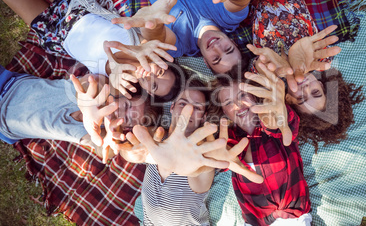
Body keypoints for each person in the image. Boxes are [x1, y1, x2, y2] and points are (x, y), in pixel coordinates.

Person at [201, 0, 364, 151]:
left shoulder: (271, 76)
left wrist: (280, 69)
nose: (305, 88)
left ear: (288, 100)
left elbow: (255, 70)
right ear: (322, 85)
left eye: (301, 98)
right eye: (315, 92)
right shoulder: (320, 58)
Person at [0, 0, 182, 103]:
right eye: (159, 73)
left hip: (54, 35)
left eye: (154, 86)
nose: (150, 77)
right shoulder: (153, 46)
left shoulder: (120, 86)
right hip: (76, 6)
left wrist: (101, 85)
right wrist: (155, 24)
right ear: (163, 62)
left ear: (148, 92)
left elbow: (89, 86)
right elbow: (157, 33)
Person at [113, 79, 263, 225]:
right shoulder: (157, 136)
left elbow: (200, 178)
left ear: (203, 117)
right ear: (172, 107)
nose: (188, 111)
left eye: (197, 108)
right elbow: (131, 150)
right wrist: (135, 155)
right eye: (183, 104)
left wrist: (191, 167)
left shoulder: (202, 155)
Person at [111, 0, 277, 74]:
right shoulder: (229, 18)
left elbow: (158, 37)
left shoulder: (180, 45)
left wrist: (152, 25)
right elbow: (238, 0)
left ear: (205, 61)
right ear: (232, 41)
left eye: (216, 59)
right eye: (228, 49)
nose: (217, 47)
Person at [210, 63, 312, 225]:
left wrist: (277, 120)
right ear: (224, 111)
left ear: (254, 95)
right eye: (229, 102)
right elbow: (219, 160)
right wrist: (217, 157)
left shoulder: (273, 119)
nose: (238, 105)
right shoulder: (229, 138)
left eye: (243, 95)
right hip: (257, 222)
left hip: (293, 217)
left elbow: (289, 125)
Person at [0, 64, 158, 153]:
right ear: (122, 96)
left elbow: (104, 149)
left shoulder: (95, 132)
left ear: (127, 127)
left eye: (128, 118)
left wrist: (112, 143)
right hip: (9, 83)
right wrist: (87, 106)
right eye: (127, 106)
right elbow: (91, 81)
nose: (119, 111)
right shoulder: (98, 90)